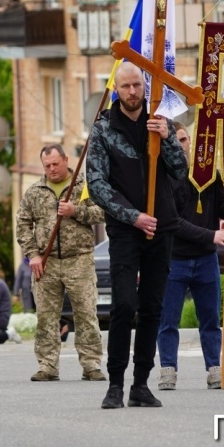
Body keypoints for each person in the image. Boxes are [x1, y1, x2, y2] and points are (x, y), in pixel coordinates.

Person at [86, 63, 188, 410]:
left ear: (144, 87)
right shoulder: (103, 128)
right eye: (126, 86)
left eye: (137, 86)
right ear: (116, 90)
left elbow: (180, 171)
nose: (132, 92)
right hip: (125, 230)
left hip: (162, 226)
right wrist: (134, 216)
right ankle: (115, 383)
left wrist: (168, 137)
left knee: (152, 308)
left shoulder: (159, 123)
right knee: (124, 305)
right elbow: (96, 185)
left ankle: (141, 384)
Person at [157, 123, 224, 392]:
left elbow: (222, 211)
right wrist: (210, 235)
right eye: (175, 141)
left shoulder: (211, 174)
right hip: (174, 259)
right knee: (168, 321)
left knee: (210, 320)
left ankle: (214, 369)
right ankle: (168, 369)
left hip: (205, 259)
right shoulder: (163, 176)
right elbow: (172, 222)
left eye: (183, 139)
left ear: (191, 141)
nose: (181, 145)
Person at [17, 143, 105, 383]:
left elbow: (102, 212)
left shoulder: (84, 186)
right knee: (46, 317)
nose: (52, 169)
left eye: (56, 164)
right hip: (47, 262)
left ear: (66, 160)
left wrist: (75, 210)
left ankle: (91, 364)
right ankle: (47, 365)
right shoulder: (35, 191)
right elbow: (23, 224)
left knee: (86, 314)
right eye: (47, 165)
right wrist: (33, 254)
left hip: (79, 259)